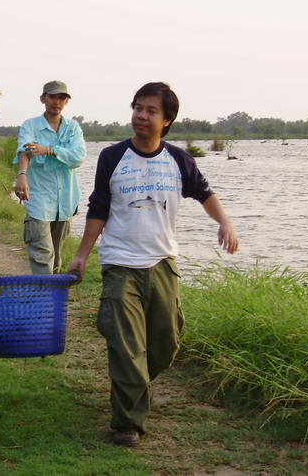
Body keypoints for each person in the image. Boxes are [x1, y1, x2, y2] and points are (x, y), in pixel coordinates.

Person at [67, 82, 238, 448]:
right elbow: (98, 208)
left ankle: (133, 386)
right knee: (127, 344)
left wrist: (225, 222)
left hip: (162, 262)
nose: (140, 116)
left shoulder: (179, 160)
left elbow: (205, 193)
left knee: (167, 339)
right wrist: (82, 254)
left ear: (167, 120)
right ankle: (128, 422)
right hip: (119, 263)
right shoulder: (112, 157)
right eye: (137, 108)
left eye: (150, 111)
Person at [13, 80, 86, 274]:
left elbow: (78, 157)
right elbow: (25, 149)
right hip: (39, 198)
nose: (57, 101)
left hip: (66, 201)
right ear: (43, 98)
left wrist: (48, 150)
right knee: (42, 252)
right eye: (52, 96)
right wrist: (22, 176)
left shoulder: (73, 128)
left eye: (62, 97)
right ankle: (44, 299)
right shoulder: (31, 125)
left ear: (66, 101)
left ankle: (52, 298)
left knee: (56, 255)